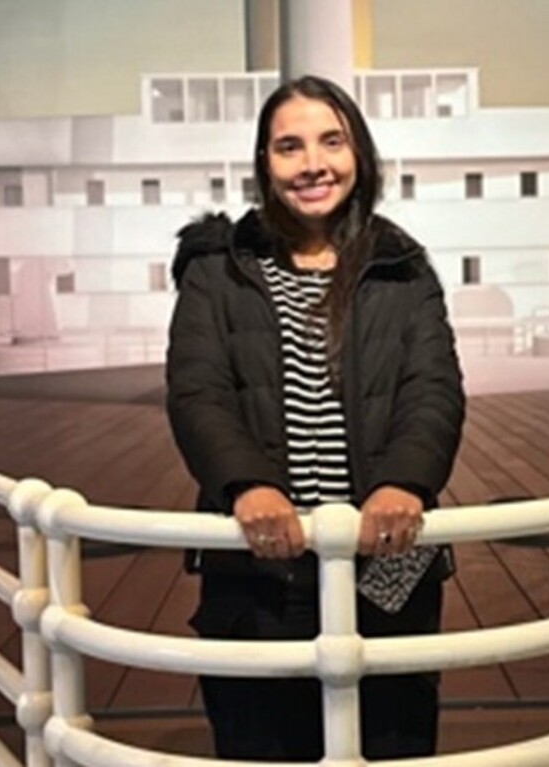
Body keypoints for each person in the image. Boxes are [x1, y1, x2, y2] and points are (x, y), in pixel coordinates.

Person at [164, 74, 465, 761]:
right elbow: (196, 391)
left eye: (331, 140)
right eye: (288, 146)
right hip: (257, 570)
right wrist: (246, 486)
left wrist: (405, 483)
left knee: (393, 742)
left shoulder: (402, 265)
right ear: (264, 163)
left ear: (358, 152)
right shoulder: (218, 267)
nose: (312, 164)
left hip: (386, 563)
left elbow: (435, 389)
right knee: (262, 742)